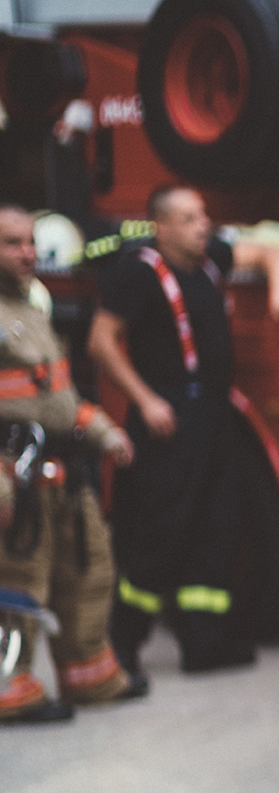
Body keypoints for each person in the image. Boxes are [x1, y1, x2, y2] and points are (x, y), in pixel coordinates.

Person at [90, 186, 279, 675]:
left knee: (216, 526)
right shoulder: (139, 272)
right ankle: (123, 646)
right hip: (168, 419)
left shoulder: (211, 259)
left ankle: (204, 644)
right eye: (188, 218)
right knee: (159, 532)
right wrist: (145, 400)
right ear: (161, 227)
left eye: (203, 215)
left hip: (214, 418)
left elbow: (269, 249)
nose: (202, 225)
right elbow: (102, 342)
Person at [0, 203, 137, 722]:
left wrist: (102, 430)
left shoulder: (32, 308)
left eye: (30, 241)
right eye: (12, 243)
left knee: (88, 574)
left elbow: (55, 393)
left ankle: (91, 676)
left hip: (58, 473)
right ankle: (8, 690)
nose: (27, 252)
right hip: (13, 475)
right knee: (14, 591)